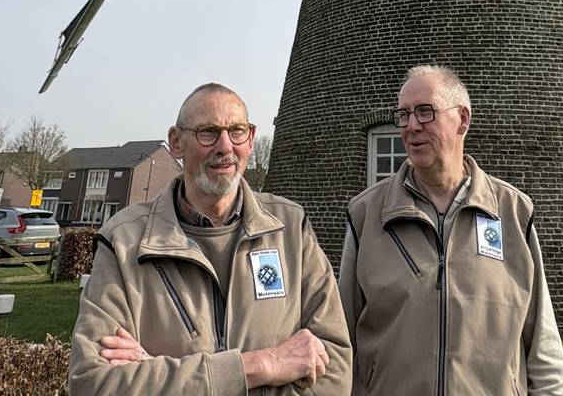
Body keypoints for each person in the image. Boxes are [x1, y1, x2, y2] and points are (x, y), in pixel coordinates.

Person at [68, 83, 352, 395]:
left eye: (237, 131)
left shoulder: (289, 228)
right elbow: (93, 382)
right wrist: (261, 365)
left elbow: (334, 364)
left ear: (252, 139)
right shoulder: (124, 242)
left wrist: (156, 373)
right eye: (208, 132)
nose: (225, 146)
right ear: (176, 142)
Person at [339, 65, 563, 396]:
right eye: (403, 115)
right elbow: (341, 341)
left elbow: (543, 346)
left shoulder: (513, 212)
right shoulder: (366, 216)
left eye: (425, 111)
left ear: (463, 119)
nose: (411, 126)